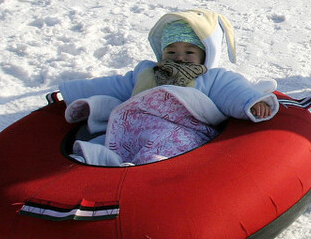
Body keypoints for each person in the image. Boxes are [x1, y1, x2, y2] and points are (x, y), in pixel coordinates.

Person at [55, 10, 277, 167]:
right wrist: (70, 92)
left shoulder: (211, 78)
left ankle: (152, 169)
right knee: (110, 143)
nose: (180, 57)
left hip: (181, 129)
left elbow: (233, 91)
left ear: (205, 54)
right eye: (171, 52)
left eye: (189, 52)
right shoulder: (147, 72)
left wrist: (253, 102)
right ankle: (96, 164)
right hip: (134, 126)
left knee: (168, 144)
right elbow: (115, 85)